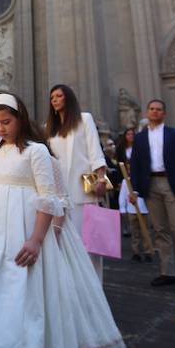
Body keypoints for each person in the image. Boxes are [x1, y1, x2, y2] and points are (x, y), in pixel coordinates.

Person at [0, 93, 124, 348]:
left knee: (26, 291)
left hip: (31, 223)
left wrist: (36, 239)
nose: (1, 129)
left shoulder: (37, 150)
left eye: (6, 122)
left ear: (20, 118)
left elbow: (49, 197)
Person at [130, 100, 175, 295]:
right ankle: (167, 272)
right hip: (150, 185)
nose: (155, 112)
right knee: (160, 230)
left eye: (158, 110)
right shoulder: (140, 137)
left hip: (172, 184)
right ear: (147, 112)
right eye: (152, 109)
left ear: (164, 114)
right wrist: (134, 189)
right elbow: (135, 165)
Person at [45, 84, 108, 281]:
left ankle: (92, 284)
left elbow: (95, 152)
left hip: (82, 187)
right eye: (52, 97)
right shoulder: (49, 129)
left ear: (68, 98)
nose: (55, 99)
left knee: (87, 243)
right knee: (63, 242)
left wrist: (101, 179)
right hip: (58, 191)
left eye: (59, 96)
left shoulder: (84, 119)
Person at [116, 129, 153, 263]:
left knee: (145, 230)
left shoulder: (143, 180)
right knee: (135, 231)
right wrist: (122, 208)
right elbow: (122, 195)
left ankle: (148, 249)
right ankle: (136, 251)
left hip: (143, 209)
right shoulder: (127, 181)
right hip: (132, 209)